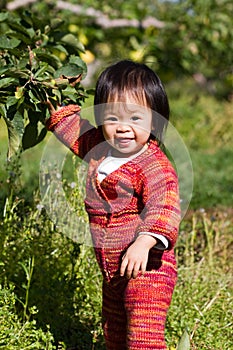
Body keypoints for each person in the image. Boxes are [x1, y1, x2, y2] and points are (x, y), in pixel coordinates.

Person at [46, 59, 180, 350]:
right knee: (114, 332)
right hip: (112, 270)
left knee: (143, 337)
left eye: (135, 119)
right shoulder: (100, 149)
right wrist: (51, 94)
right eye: (113, 118)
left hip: (147, 269)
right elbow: (72, 129)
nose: (123, 128)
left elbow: (165, 205)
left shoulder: (153, 164)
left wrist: (145, 241)